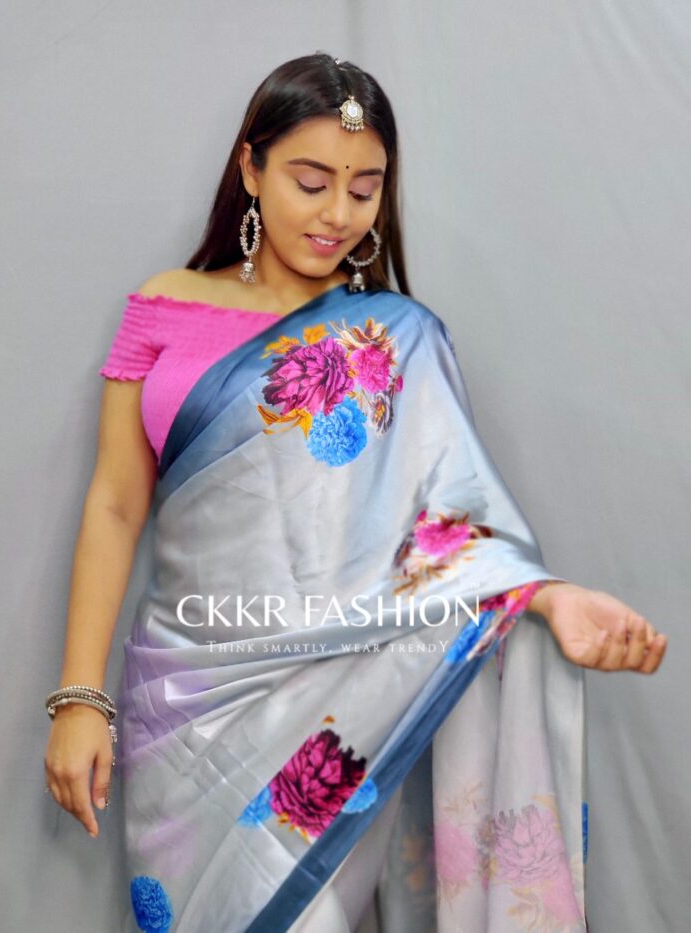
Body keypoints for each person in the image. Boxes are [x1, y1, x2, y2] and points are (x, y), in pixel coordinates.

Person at [44, 52, 666, 933]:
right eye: (311, 182)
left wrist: (547, 598)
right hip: (182, 698)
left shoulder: (395, 338)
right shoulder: (163, 307)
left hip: (339, 704)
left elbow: (448, 519)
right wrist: (80, 698)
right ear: (251, 168)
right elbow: (115, 506)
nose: (338, 213)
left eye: (364, 189)